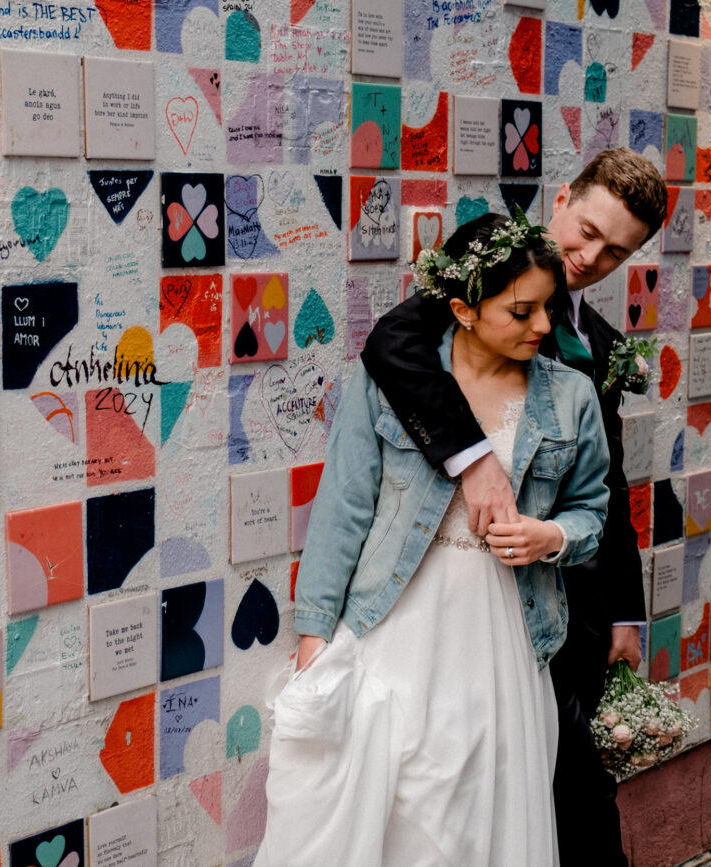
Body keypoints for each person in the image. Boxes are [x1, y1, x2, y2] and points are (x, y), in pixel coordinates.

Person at [255, 212, 611, 867]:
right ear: (464, 309)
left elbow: (593, 513)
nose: (542, 327)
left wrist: (550, 535)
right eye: (522, 311)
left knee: (476, 815)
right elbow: (343, 508)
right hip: (390, 628)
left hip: (504, 636)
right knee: (396, 813)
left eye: (549, 309)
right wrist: (314, 637)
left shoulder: (572, 397)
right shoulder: (391, 381)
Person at [359, 148, 668, 866]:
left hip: (573, 607)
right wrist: (474, 461)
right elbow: (392, 342)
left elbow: (608, 486)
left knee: (579, 797)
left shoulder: (601, 347)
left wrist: (625, 609)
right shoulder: (483, 281)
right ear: (561, 197)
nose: (589, 256)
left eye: (615, 252)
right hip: (471, 610)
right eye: (586, 230)